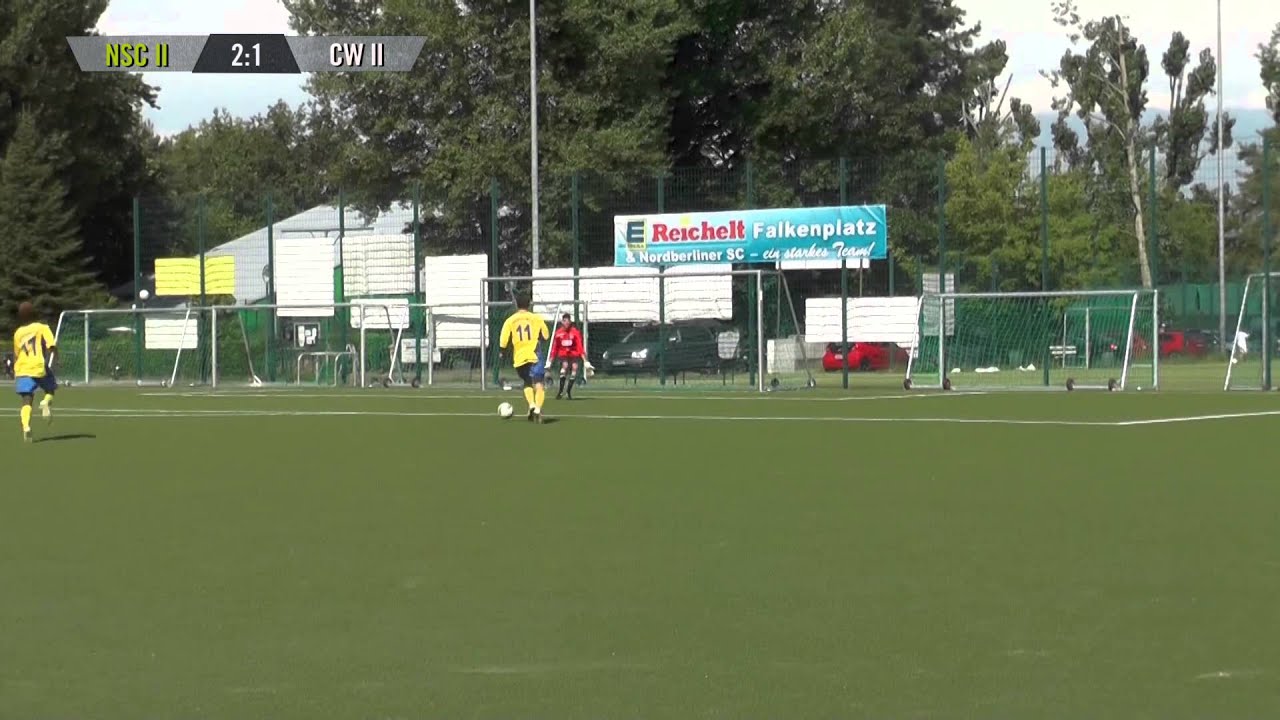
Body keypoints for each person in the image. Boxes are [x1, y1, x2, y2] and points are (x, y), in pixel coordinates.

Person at [498, 294, 550, 422]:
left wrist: (502, 352)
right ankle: (537, 409)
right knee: (539, 383)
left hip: (519, 357)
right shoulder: (536, 318)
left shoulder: (510, 320)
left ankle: (531, 405)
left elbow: (503, 340)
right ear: (529, 304)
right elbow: (546, 335)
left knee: (527, 382)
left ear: (516, 304)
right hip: (534, 355)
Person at [13, 302, 57, 442]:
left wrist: (16, 369)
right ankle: (45, 402)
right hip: (38, 366)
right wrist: (56, 356)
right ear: (34, 314)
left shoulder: (18, 333)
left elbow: (16, 354)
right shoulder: (42, 327)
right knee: (50, 389)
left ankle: (26, 426)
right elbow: (51, 345)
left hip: (22, 368)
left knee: (27, 399)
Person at [551, 313, 585, 400]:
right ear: (562, 322)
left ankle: (568, 392)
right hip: (564, 354)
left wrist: (584, 359)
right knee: (564, 367)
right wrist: (550, 359)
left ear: (570, 322)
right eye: (565, 321)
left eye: (568, 321)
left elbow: (579, 346)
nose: (566, 323)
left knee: (574, 368)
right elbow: (555, 347)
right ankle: (560, 391)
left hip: (573, 354)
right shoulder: (558, 333)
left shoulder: (575, 332)